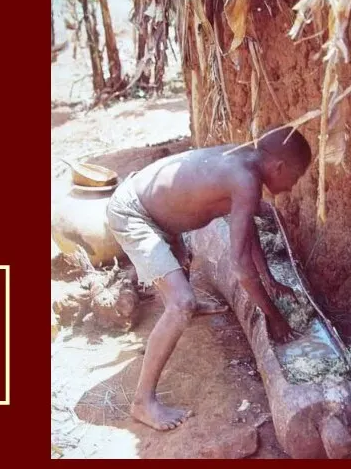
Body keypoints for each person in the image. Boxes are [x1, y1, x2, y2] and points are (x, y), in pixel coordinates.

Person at [105, 127, 312, 431]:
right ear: (278, 167)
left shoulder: (247, 162)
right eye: (295, 178)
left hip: (156, 210)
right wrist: (274, 316)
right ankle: (142, 402)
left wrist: (267, 276)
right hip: (134, 214)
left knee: (181, 269)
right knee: (181, 303)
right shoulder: (245, 178)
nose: (292, 187)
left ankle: (185, 301)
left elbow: (245, 227)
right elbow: (240, 267)